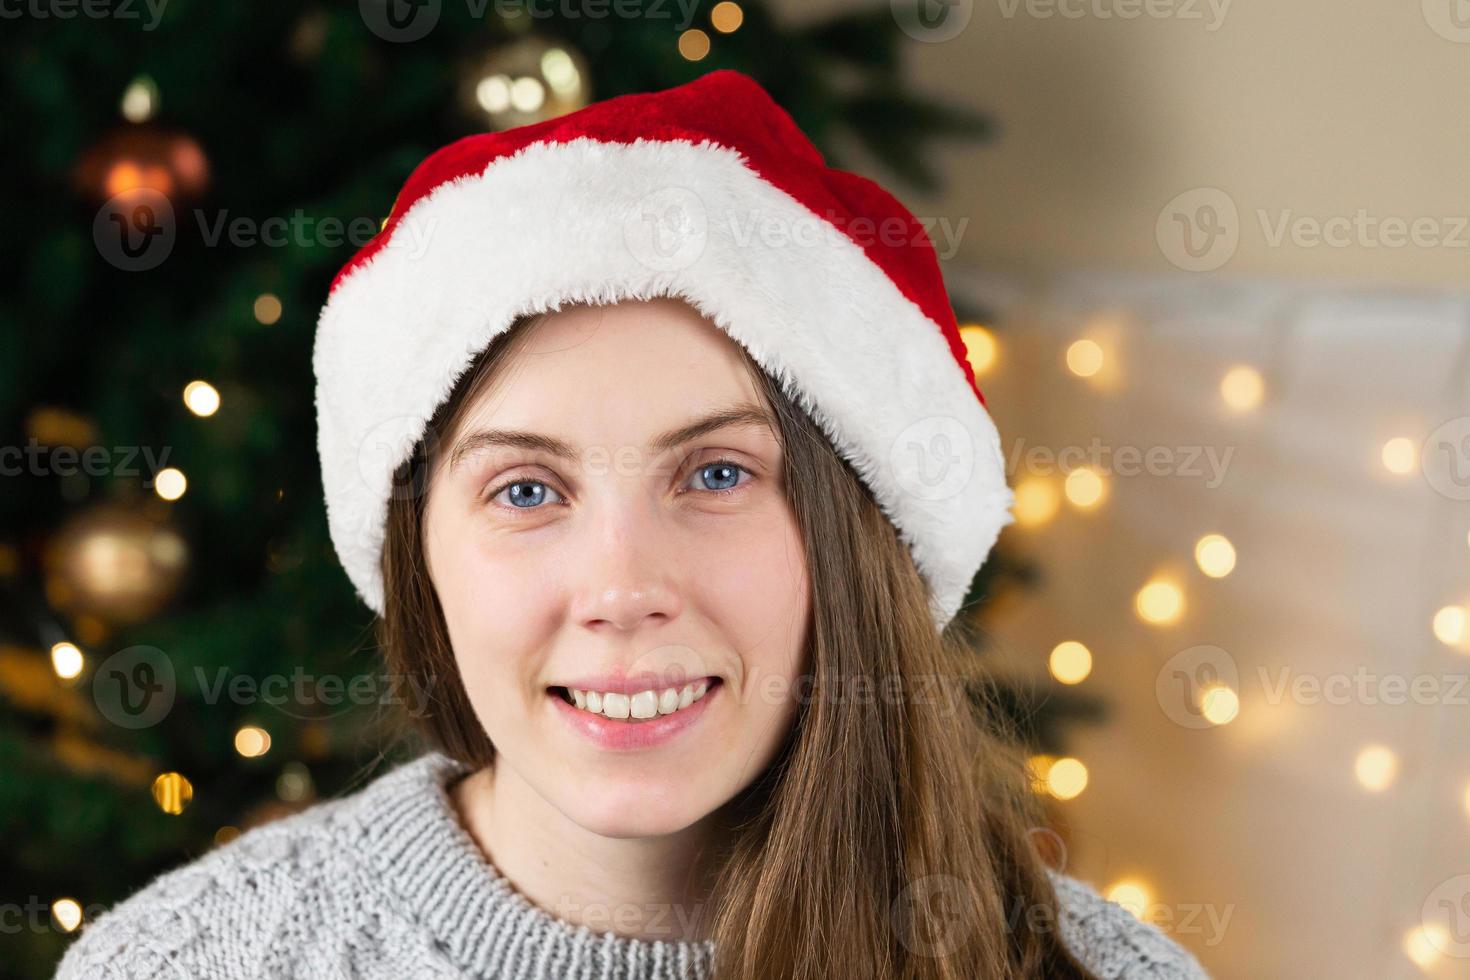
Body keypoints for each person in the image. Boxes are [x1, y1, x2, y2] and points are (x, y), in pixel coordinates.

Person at [56, 70, 1210, 979]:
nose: (620, 585)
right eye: (525, 490)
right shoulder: (184, 963)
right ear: (422, 559)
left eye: (714, 473)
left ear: (854, 539)